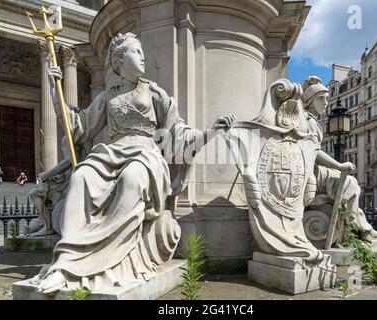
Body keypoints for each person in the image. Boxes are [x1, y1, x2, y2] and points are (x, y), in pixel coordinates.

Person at [33, 32, 235, 294]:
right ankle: (67, 263)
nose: (143, 57)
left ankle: (109, 260)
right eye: (136, 52)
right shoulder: (108, 97)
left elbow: (178, 134)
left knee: (132, 178)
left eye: (142, 52)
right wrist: (54, 91)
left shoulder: (155, 93)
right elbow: (80, 127)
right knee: (81, 177)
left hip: (145, 156)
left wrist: (209, 132)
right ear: (119, 60)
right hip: (111, 154)